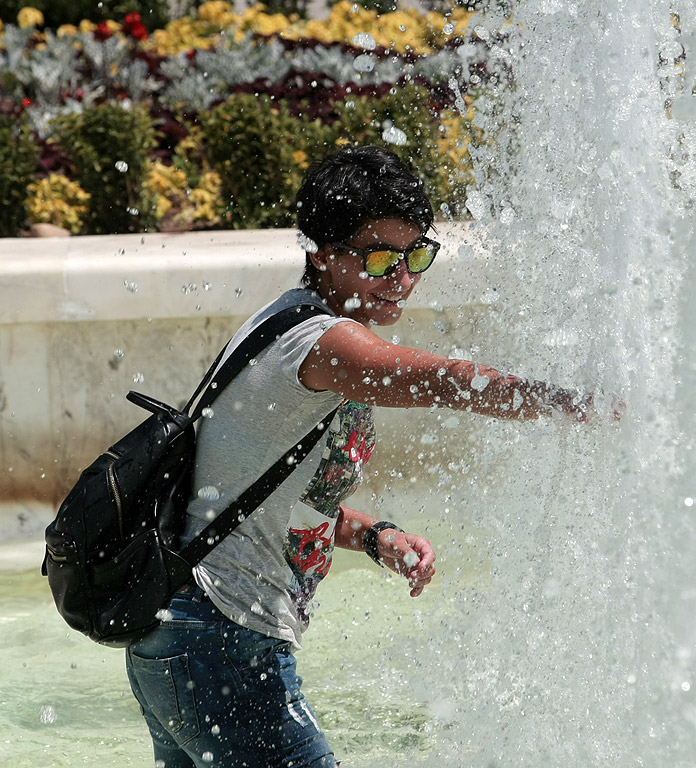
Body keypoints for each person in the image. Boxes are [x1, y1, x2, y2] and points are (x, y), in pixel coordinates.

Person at [124, 145, 601, 768]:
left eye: (416, 255)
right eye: (379, 257)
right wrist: (570, 402)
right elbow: (444, 381)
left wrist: (376, 536)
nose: (400, 277)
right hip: (222, 636)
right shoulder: (320, 343)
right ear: (322, 253)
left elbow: (270, 498)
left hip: (180, 632)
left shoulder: (293, 326)